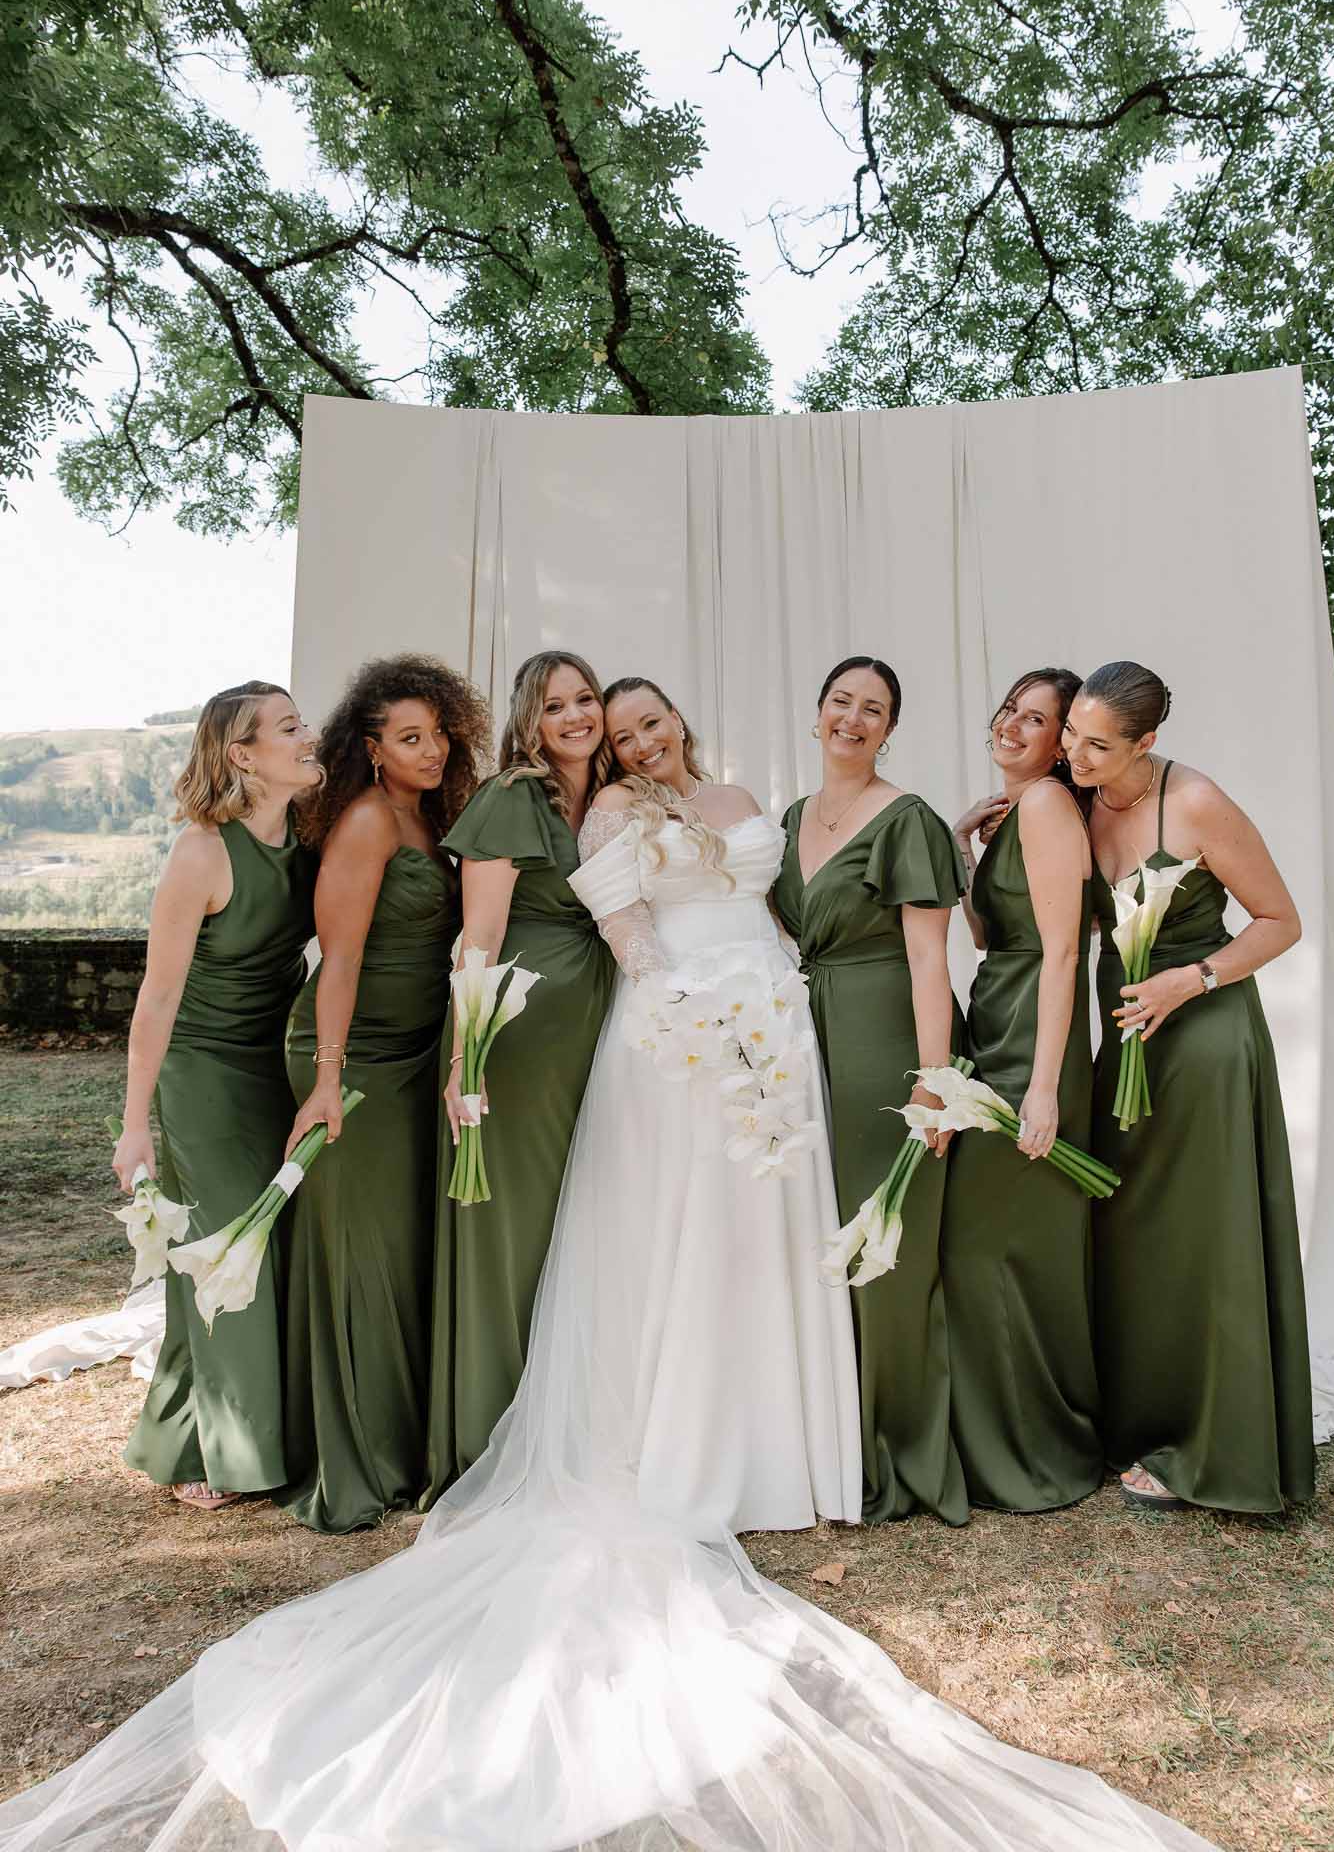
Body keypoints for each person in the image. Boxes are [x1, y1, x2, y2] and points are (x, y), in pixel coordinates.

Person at [0, 674, 1219, 1852]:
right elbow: (625, 926)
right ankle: (665, 1430)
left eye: (645, 720)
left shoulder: (761, 808)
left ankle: (774, 1434)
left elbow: (811, 910)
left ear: (678, 721)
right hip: (681, 1027)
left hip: (779, 1027)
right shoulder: (609, 817)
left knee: (765, 1245)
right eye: (612, 727)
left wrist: (810, 975)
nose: (632, 741)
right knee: (667, 1232)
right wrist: (691, 1008)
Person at [1066, 660, 1314, 1512]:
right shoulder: (1077, 798)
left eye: (1098, 745)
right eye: (1071, 735)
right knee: (1133, 1240)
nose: (1077, 754)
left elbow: (1281, 920)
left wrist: (1192, 979)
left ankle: (1215, 1446)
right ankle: (1140, 1424)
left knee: (1205, 1246)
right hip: (1126, 1047)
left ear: (1148, 743)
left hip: (1206, 1042)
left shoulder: (1197, 801)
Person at [277, 656, 483, 1532]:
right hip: (352, 1057)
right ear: (370, 747)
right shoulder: (366, 820)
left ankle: (402, 1447)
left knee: (401, 1251)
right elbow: (341, 960)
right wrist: (326, 1081)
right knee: (363, 1254)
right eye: (409, 738)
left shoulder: (432, 815)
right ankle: (357, 1456)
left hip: (416, 1054)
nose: (431, 750)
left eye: (437, 733)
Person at [115, 683, 320, 1511]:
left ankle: (181, 1430)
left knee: (260, 1241)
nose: (308, 737)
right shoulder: (201, 853)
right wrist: (136, 1127)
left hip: (276, 1062)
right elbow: (155, 1002)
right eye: (290, 728)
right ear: (242, 754)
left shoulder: (308, 837)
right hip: (201, 1070)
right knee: (228, 1242)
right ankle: (229, 1448)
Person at [773, 656, 968, 1524]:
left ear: (890, 728)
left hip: (887, 1037)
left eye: (874, 709)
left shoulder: (909, 820)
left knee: (887, 1240)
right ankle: (832, 1437)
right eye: (842, 702)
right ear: (816, 714)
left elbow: (932, 960)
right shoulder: (788, 819)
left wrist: (934, 1085)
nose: (854, 719)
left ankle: (900, 1448)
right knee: (825, 1231)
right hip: (809, 1036)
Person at [422, 650, 616, 1498]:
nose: (575, 716)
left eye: (585, 699)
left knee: (578, 1229)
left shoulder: (609, 797)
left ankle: (568, 1415)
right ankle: (493, 1429)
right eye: (554, 706)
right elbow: (478, 939)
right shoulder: (510, 799)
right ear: (527, 722)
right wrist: (466, 1058)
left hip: (595, 1040)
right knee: (517, 1230)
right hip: (521, 1040)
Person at [943, 668, 1103, 1510]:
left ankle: (1032, 1446)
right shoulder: (1014, 813)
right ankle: (997, 1434)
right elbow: (987, 931)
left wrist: (1042, 1089)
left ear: (1061, 744)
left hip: (1034, 1041)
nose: (1012, 724)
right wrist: (967, 846)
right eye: (1009, 708)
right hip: (997, 1016)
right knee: (992, 1245)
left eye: (1035, 719)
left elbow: (1064, 953)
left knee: (993, 1243)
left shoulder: (1045, 806)